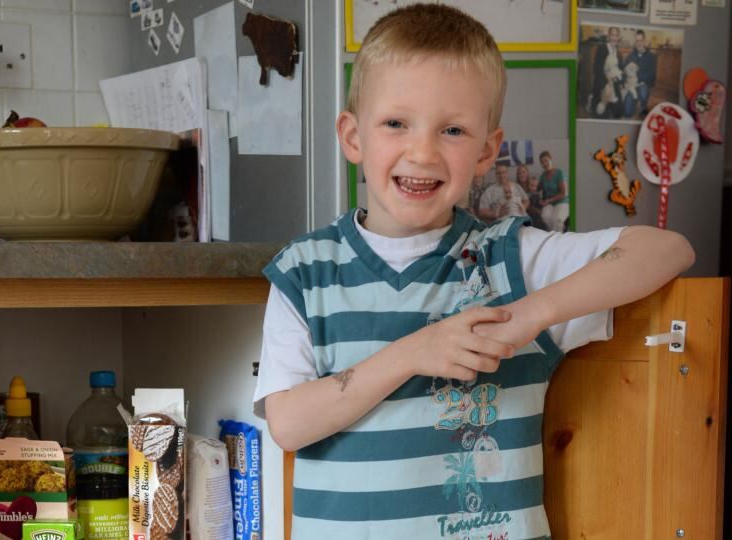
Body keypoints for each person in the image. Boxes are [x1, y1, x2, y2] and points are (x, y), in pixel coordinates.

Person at [253, 5, 694, 539]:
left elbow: (666, 249)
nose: (422, 152)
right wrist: (416, 351)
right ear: (352, 136)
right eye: (396, 123)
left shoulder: (510, 260)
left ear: (487, 151)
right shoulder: (304, 272)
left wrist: (529, 315)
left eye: (453, 130)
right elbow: (289, 424)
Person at [622, 29, 657, 119]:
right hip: (631, 86)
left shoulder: (651, 57)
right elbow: (624, 71)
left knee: (643, 91)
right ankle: (633, 102)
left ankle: (643, 104)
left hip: (642, 84)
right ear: (635, 42)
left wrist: (637, 78)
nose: (639, 43)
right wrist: (626, 82)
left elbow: (652, 75)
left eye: (641, 40)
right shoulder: (630, 56)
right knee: (627, 112)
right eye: (637, 41)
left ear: (644, 41)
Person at [590, 26, 623, 119]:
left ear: (618, 38)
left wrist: (617, 81)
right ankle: (592, 98)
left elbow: (620, 71)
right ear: (608, 37)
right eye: (612, 35)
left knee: (618, 112)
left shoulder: (619, 54)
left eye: (616, 35)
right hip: (602, 83)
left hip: (613, 83)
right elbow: (597, 69)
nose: (614, 38)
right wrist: (606, 84)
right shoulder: (602, 48)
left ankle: (610, 103)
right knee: (601, 114)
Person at [538, 151, 569, 231]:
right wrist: (541, 199)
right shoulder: (543, 175)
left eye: (546, 160)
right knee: (545, 216)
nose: (544, 164)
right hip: (549, 203)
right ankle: (555, 233)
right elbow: (539, 189)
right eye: (542, 162)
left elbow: (564, 193)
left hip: (562, 201)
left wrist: (549, 200)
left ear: (550, 159)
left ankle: (558, 236)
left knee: (557, 219)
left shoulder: (559, 173)